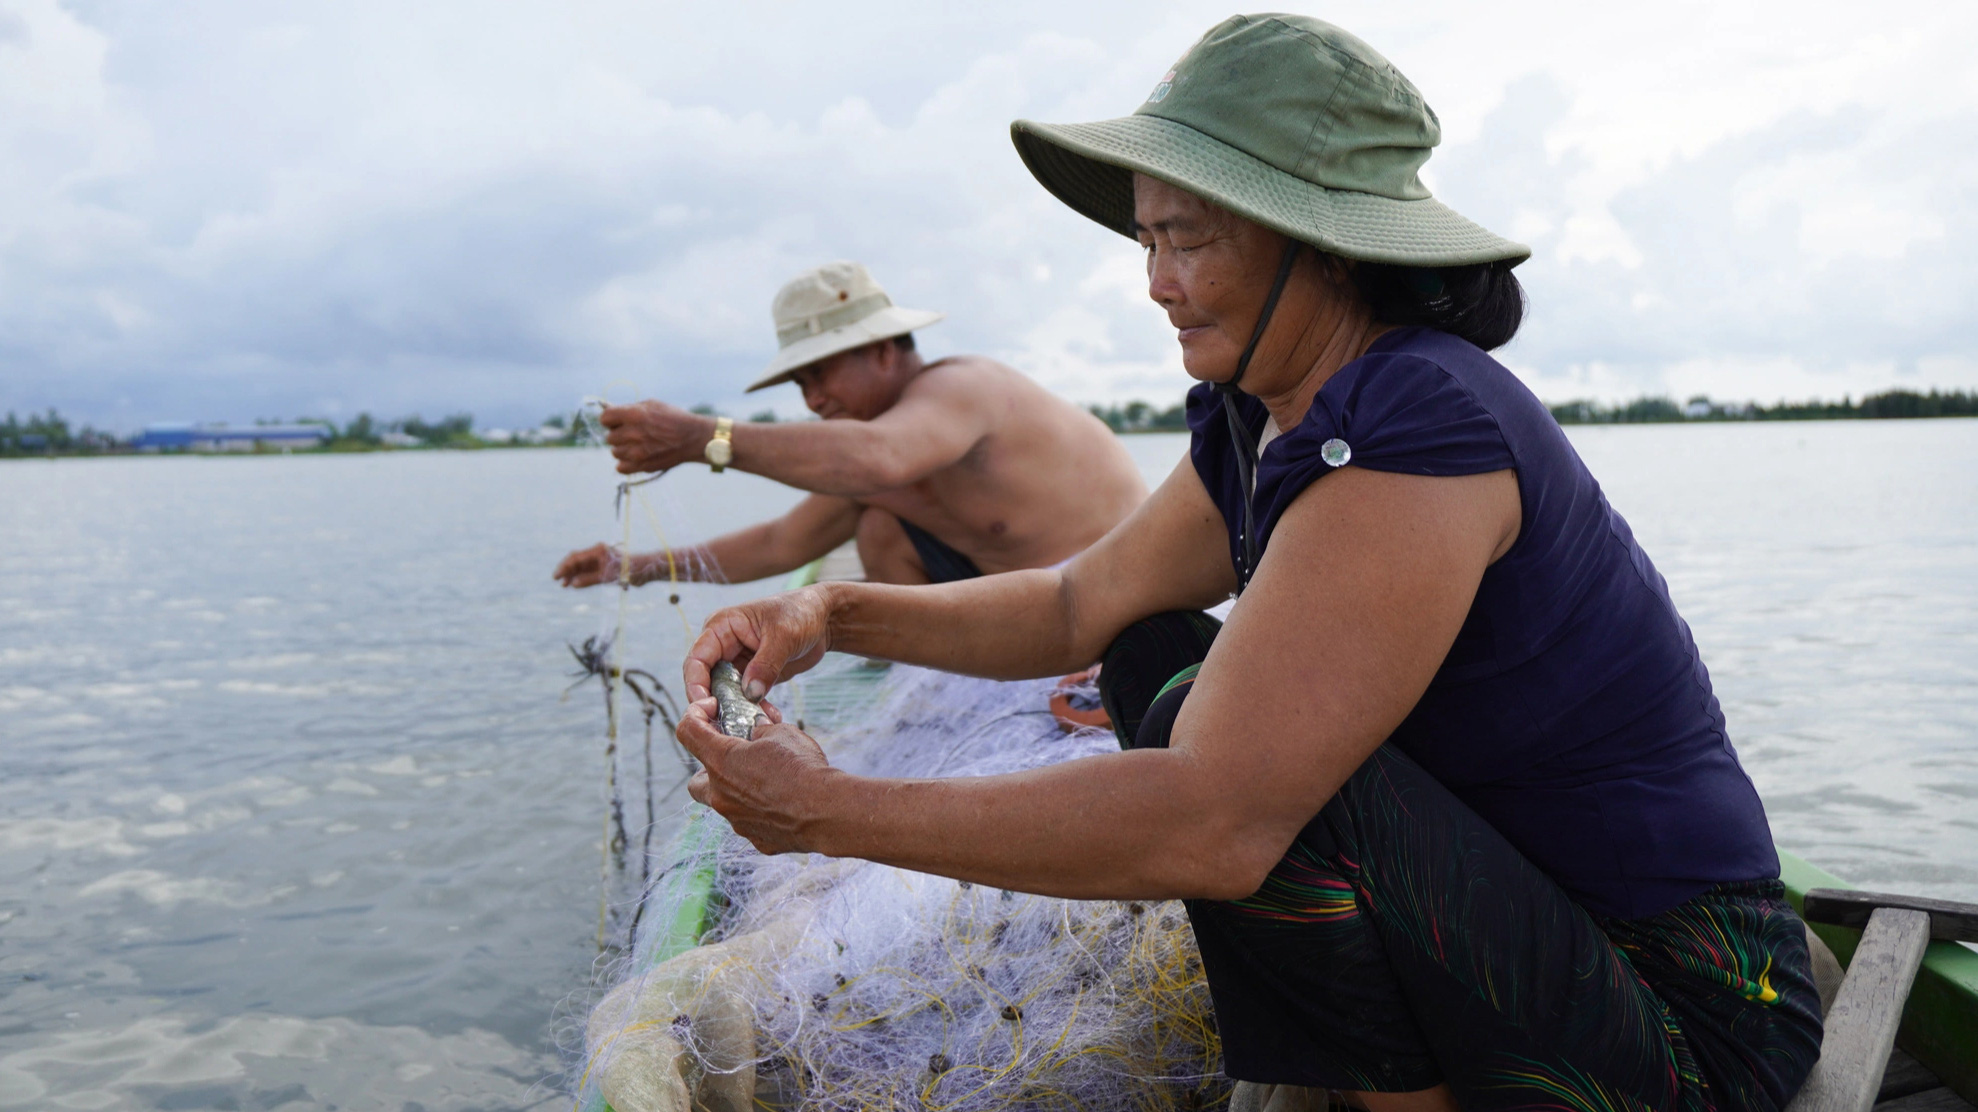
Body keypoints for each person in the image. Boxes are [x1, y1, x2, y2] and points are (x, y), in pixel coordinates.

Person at [669, 15, 1823, 1112]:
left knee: (1233, 768)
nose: (1156, 282)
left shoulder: (1418, 419)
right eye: (1147, 239)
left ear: (1317, 245)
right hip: (1520, 925)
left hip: (1686, 1017)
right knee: (1151, 652)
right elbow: (1080, 597)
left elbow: (1212, 822)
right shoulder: (1256, 411)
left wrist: (824, 811)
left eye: (1190, 240)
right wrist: (829, 614)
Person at [552, 261, 1146, 587]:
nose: (813, 400)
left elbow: (877, 456)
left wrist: (699, 437)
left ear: (884, 350)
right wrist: (634, 565)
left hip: (1115, 592)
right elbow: (780, 544)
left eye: (821, 375)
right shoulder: (868, 454)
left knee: (879, 523)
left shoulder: (962, 387)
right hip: (1022, 613)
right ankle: (942, 679)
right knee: (881, 529)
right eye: (800, 384)